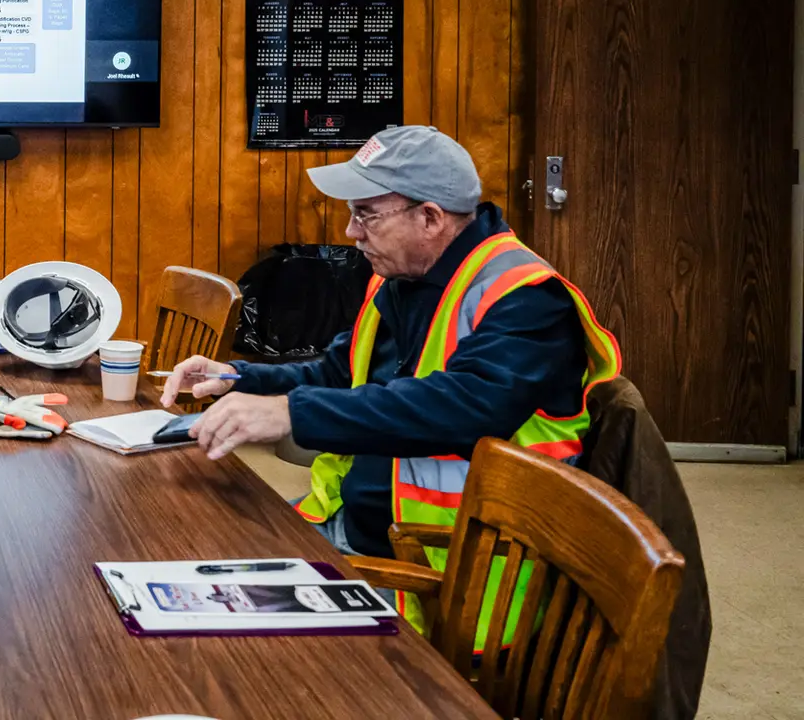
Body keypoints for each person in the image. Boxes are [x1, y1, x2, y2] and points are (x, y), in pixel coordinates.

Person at [162, 125, 621, 566]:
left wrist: (291, 413)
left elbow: (462, 409)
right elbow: (339, 372)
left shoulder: (526, 298)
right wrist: (240, 377)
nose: (351, 232)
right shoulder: (401, 276)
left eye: (366, 214)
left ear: (430, 217)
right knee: (184, 543)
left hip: (447, 567)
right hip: (355, 524)